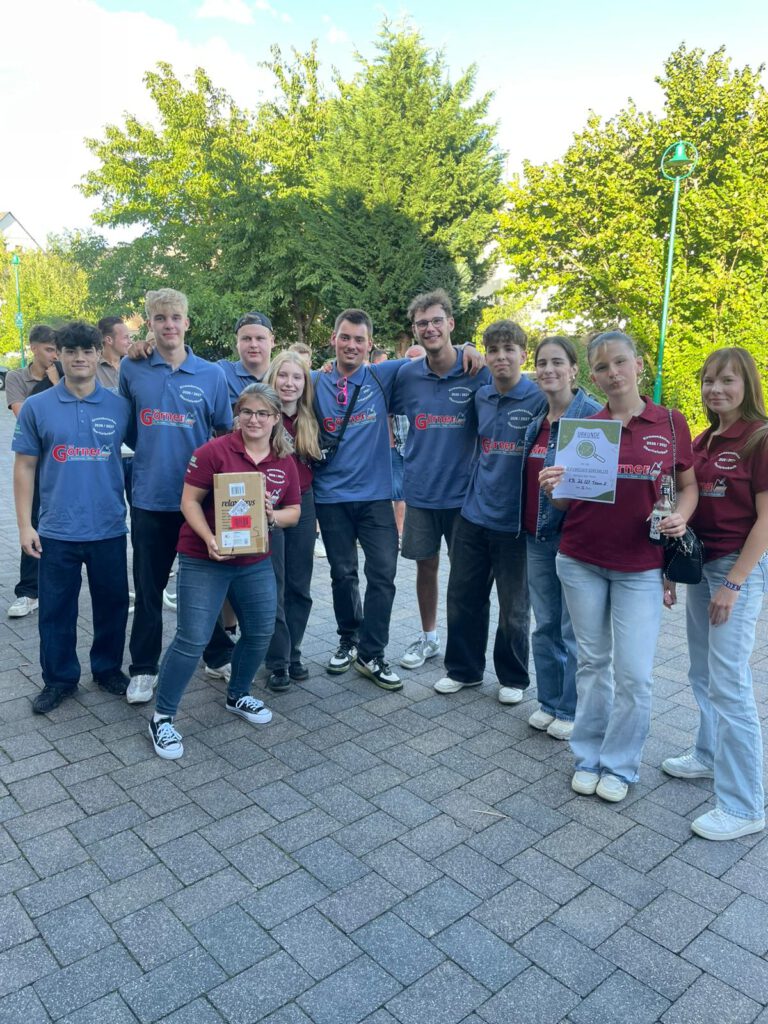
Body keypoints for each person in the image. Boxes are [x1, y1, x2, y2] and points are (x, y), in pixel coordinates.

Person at [540, 330, 698, 803]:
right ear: (592, 375)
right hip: (581, 559)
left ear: (639, 364)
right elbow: (566, 503)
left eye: (620, 362)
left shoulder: (670, 422)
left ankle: (621, 765)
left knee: (634, 674)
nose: (613, 373)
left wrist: (682, 516)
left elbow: (687, 485)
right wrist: (554, 488)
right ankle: (588, 756)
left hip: (641, 565)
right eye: (602, 367)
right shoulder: (586, 426)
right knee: (592, 665)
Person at [149, 383, 300, 758]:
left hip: (254, 561)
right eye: (247, 411)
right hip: (204, 558)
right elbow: (189, 501)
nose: (254, 419)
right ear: (237, 415)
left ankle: (238, 694)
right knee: (192, 639)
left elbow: (294, 513)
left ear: (275, 419)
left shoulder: (284, 459)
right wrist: (209, 538)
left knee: (261, 630)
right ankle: (162, 717)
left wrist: (271, 516)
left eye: (262, 413)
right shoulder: (213, 451)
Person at [661, 347, 767, 840]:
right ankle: (707, 754)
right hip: (701, 566)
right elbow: (686, 507)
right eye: (708, 380)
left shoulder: (760, 439)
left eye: (727, 380)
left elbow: (766, 521)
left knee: (729, 682)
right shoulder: (703, 440)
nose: (716, 389)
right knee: (702, 672)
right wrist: (671, 569)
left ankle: (745, 806)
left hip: (734, 569)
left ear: (748, 384)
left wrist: (735, 583)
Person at [119, 288, 234, 704]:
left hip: (199, 501)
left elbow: (224, 433)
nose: (168, 325)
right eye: (160, 318)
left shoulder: (211, 375)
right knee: (149, 589)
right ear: (150, 323)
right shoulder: (132, 369)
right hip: (150, 498)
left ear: (187, 322)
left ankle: (217, 655)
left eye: (175, 317)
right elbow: (129, 429)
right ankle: (143, 669)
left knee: (202, 586)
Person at [12, 321, 131, 712]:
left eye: (87, 350)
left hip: (108, 526)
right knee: (55, 611)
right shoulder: (37, 407)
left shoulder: (119, 405)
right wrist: (25, 525)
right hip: (56, 530)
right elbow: (24, 466)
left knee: (112, 605)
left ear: (99, 354)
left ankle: (107, 669)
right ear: (58, 357)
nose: (79, 358)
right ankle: (60, 679)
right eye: (71, 351)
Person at [435, 319, 545, 702]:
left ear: (523, 355)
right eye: (493, 350)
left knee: (514, 606)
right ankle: (463, 670)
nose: (501, 357)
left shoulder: (539, 399)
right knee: (462, 597)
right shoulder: (480, 396)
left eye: (509, 350)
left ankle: (513, 678)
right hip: (473, 514)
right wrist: (465, 345)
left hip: (515, 521)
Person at [391, 290, 491, 670]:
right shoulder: (407, 375)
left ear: (450, 323)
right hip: (420, 492)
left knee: (465, 576)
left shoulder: (476, 371)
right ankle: (429, 638)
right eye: (422, 323)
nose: (430, 328)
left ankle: (463, 651)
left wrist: (472, 349)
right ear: (415, 329)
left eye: (436, 321)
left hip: (465, 496)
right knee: (426, 567)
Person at [522, 337, 602, 739]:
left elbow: (601, 485)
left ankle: (570, 709)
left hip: (574, 538)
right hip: (536, 536)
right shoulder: (536, 416)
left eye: (557, 362)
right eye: (542, 363)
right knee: (545, 625)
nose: (548, 369)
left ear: (574, 369)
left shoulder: (592, 416)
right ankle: (549, 702)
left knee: (573, 631)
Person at [263, 351, 321, 690]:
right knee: (274, 584)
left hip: (304, 502)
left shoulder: (310, 418)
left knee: (300, 584)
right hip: (269, 504)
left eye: (297, 377)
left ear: (305, 383)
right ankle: (277, 660)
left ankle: (293, 651)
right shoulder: (261, 416)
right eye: (283, 376)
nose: (289, 383)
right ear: (272, 378)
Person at [6, 325, 59, 618]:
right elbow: (23, 413)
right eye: (49, 350)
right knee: (33, 520)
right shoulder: (17, 377)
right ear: (33, 348)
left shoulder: (64, 373)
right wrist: (52, 383)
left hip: (64, 460)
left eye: (57, 350)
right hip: (34, 460)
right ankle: (28, 591)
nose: (55, 356)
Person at [218, 311, 275, 405]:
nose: (253, 345)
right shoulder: (221, 373)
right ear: (237, 342)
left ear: (272, 341)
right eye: (246, 338)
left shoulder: (284, 377)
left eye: (260, 338)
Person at [96, 316, 133, 391]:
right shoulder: (92, 368)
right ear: (109, 340)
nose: (130, 341)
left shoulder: (133, 365)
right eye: (125, 337)